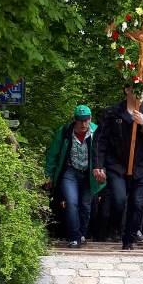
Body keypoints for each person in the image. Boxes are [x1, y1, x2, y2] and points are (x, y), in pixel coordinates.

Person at [93, 85, 143, 250]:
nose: (141, 93)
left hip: (141, 166)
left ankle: (129, 239)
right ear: (127, 90)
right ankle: (116, 228)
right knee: (119, 200)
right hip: (116, 165)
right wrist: (98, 164)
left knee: (138, 203)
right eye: (136, 89)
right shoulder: (112, 113)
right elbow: (100, 139)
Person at [45, 104, 104, 247]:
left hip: (89, 173)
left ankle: (82, 234)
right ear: (75, 120)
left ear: (90, 118)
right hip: (70, 172)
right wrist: (49, 174)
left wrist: (103, 170)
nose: (83, 124)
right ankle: (74, 237)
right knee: (71, 202)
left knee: (85, 205)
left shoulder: (97, 131)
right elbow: (53, 154)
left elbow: (104, 153)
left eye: (86, 120)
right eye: (80, 120)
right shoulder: (65, 132)